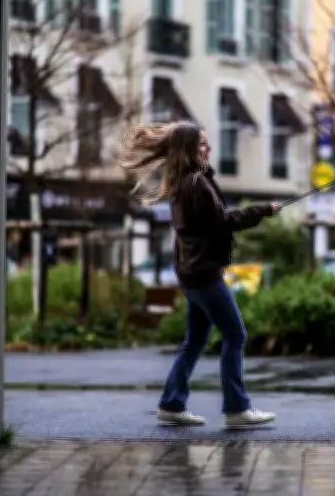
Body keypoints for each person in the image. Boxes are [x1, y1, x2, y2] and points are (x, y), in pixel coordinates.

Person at [119, 121, 281, 428]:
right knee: (235, 335)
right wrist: (263, 210)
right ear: (188, 151)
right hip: (204, 275)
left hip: (192, 274)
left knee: (195, 340)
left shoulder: (187, 182)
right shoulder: (196, 183)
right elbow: (223, 221)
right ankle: (237, 408)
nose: (208, 148)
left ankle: (171, 403)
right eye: (202, 144)